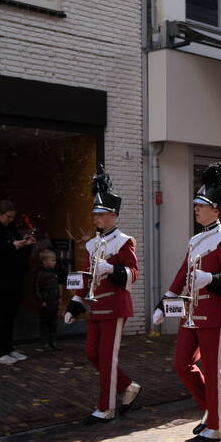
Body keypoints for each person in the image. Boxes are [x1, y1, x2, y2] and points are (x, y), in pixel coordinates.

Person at [151, 163, 221, 442]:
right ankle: (213, 410)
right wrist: (164, 302)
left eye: (201, 206)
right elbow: (183, 273)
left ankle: (216, 426)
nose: (196, 209)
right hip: (190, 311)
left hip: (214, 313)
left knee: (214, 372)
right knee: (181, 364)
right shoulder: (195, 239)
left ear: (216, 209)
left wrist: (210, 279)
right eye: (196, 205)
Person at [64, 168, 142, 422]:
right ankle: (128, 386)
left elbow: (133, 273)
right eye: (95, 213)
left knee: (108, 359)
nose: (96, 217)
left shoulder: (124, 241)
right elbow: (86, 276)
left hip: (115, 306)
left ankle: (105, 408)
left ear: (113, 215)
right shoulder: (91, 244)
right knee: (92, 354)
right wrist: (76, 302)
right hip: (96, 307)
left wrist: (111, 269)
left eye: (100, 213)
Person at [0, 200, 36, 364]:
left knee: (10, 314)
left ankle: (7, 348)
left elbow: (17, 249)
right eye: (8, 217)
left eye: (13, 217)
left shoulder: (10, 228)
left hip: (13, 276)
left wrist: (26, 244)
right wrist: (14, 246)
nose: (10, 220)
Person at [34, 249, 61, 351]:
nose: (55, 262)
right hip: (46, 303)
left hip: (54, 301)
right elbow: (36, 288)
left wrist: (59, 298)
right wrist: (42, 301)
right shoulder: (41, 274)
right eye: (52, 260)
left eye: (55, 260)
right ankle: (45, 343)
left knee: (54, 323)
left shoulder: (54, 273)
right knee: (45, 323)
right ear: (45, 262)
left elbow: (56, 287)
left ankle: (53, 342)